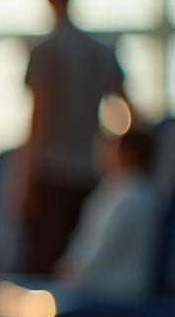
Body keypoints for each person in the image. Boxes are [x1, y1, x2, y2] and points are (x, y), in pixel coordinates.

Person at [20, 0, 134, 275]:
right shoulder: (101, 51)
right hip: (89, 172)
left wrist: (24, 180)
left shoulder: (45, 51)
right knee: (75, 267)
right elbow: (130, 112)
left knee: (44, 269)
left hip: (51, 173)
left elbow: (38, 119)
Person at [57, 127, 159, 297]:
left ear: (127, 153)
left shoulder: (127, 196)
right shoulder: (139, 192)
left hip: (110, 291)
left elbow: (98, 253)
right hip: (111, 287)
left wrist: (70, 276)